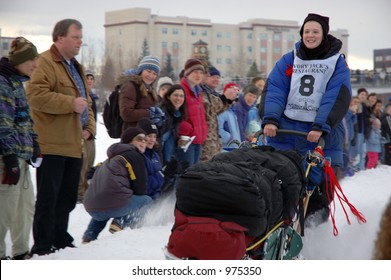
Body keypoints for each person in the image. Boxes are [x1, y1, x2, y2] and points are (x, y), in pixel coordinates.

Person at [260, 13, 352, 222]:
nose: (310, 35)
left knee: (320, 190)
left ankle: (313, 228)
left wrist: (320, 125)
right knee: (279, 183)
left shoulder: (337, 62)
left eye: (315, 31)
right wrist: (271, 118)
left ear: (324, 34)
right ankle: (278, 230)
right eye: (307, 31)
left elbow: (336, 94)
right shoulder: (290, 58)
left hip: (320, 134)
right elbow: (275, 89)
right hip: (285, 130)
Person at [26, 19, 96, 256]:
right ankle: (43, 245)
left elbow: (87, 102)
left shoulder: (75, 65)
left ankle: (60, 238)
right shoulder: (45, 62)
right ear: (59, 38)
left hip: (74, 143)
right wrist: (69, 104)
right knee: (48, 198)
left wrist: (90, 127)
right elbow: (35, 95)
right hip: (52, 143)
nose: (80, 41)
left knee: (66, 198)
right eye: (75, 36)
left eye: (80, 37)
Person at [0, 37, 40, 260]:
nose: (35, 64)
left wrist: (34, 142)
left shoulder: (17, 83)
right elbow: (2, 124)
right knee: (4, 212)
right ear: (20, 60)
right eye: (31, 59)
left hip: (21, 159)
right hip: (7, 160)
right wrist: (9, 157)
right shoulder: (3, 82)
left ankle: (21, 253)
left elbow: (25, 120)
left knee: (24, 210)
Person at [82, 127, 152, 242]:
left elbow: (90, 173)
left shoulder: (111, 158)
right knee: (146, 200)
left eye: (145, 139)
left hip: (92, 209)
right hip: (114, 207)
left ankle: (89, 235)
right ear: (129, 141)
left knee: (104, 202)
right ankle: (120, 223)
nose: (144, 142)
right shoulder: (134, 156)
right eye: (139, 139)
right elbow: (140, 188)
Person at [200, 66, 238, 162]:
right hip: (205, 145)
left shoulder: (210, 93)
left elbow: (217, 110)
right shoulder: (200, 92)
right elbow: (209, 109)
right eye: (213, 77)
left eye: (218, 77)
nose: (216, 80)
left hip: (213, 145)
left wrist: (228, 100)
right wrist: (225, 98)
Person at [175, 58, 207, 167]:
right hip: (186, 140)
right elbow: (175, 113)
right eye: (195, 72)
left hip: (198, 140)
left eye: (201, 73)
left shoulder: (198, 92)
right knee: (184, 174)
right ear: (187, 74)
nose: (198, 75)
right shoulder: (181, 90)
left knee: (193, 175)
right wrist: (188, 130)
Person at [119, 55, 163, 130]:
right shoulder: (131, 87)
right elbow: (126, 113)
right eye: (148, 71)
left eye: (154, 73)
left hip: (146, 135)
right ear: (141, 71)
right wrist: (149, 113)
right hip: (133, 136)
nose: (151, 76)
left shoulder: (150, 90)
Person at [78, 72, 98, 202]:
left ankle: (85, 190)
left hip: (91, 134)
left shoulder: (92, 96)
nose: (90, 81)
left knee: (90, 162)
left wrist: (91, 130)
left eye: (92, 78)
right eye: (87, 78)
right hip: (82, 134)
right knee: (82, 165)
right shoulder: (80, 93)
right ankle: (79, 193)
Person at [158, 84, 187, 164]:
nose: (179, 98)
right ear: (168, 96)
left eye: (181, 96)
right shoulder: (163, 112)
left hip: (169, 150)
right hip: (159, 151)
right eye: (175, 95)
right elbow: (160, 135)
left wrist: (178, 140)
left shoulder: (177, 114)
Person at [217, 83, 242, 149]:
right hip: (226, 147)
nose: (234, 97)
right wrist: (228, 138)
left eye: (236, 95)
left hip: (235, 146)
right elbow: (218, 128)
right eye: (232, 93)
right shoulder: (222, 111)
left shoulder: (233, 111)